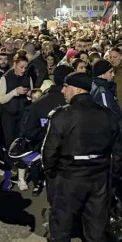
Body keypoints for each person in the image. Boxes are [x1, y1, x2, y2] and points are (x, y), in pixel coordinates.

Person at [38, 72, 122, 242]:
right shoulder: (107, 115)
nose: (63, 91)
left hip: (69, 179)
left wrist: (54, 176)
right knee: (96, 236)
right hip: (98, 179)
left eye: (65, 87)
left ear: (75, 89)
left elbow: (49, 155)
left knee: (61, 236)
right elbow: (118, 152)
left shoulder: (63, 116)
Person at [21, 65, 72, 197]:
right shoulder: (73, 104)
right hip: (70, 158)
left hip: (48, 155)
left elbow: (29, 131)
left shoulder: (39, 103)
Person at [0, 52, 35, 189]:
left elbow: (32, 95)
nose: (23, 70)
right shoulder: (6, 78)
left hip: (23, 116)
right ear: (15, 65)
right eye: (21, 67)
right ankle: (8, 179)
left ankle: (21, 179)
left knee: (23, 147)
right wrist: (14, 92)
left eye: (25, 67)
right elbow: (2, 99)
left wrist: (28, 94)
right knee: (10, 148)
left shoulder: (28, 77)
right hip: (9, 117)